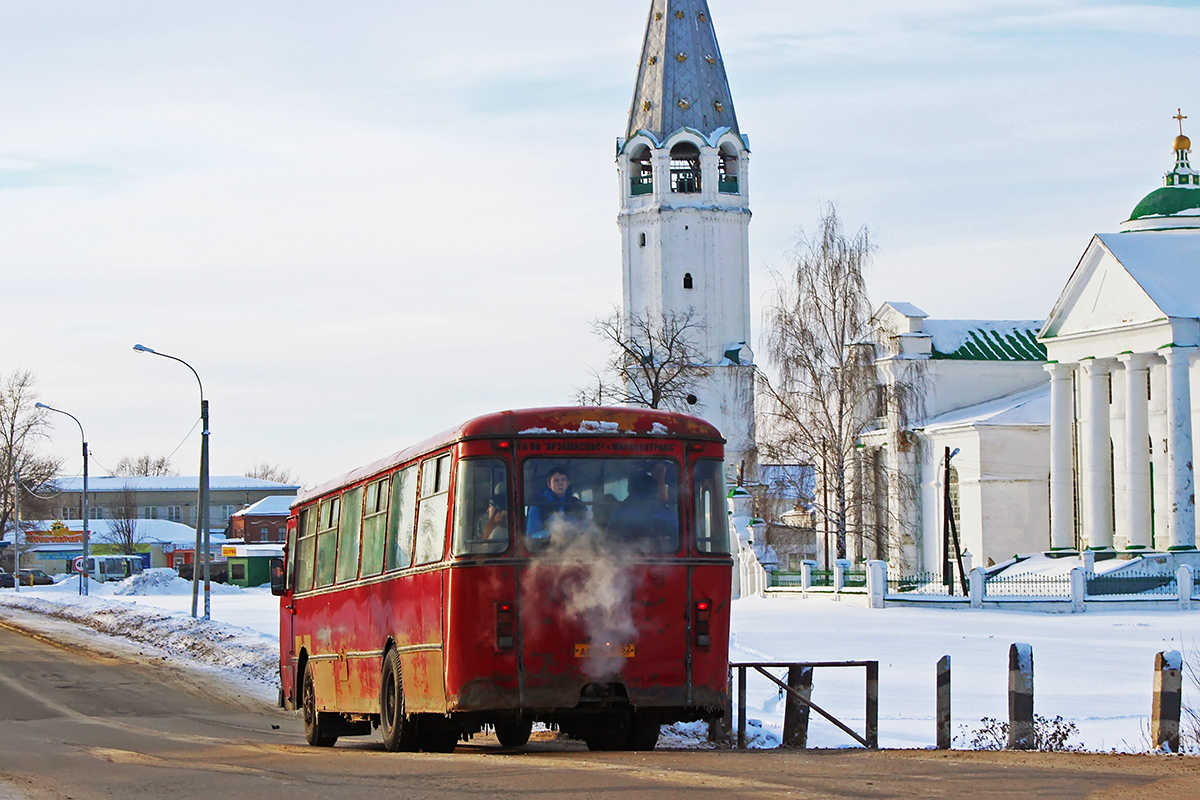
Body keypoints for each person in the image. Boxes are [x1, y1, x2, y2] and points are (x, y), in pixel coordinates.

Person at [606, 470, 678, 549]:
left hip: (661, 556)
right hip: (624, 556)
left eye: (651, 494)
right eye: (648, 494)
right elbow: (611, 542)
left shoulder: (662, 511)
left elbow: (675, 539)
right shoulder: (621, 512)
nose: (649, 498)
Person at [525, 467, 587, 536]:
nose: (560, 484)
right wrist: (554, 534)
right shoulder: (538, 505)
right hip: (546, 546)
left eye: (563, 480)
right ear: (549, 484)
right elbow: (531, 534)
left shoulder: (578, 505)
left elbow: (588, 528)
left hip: (579, 545)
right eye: (556, 480)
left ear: (568, 483)